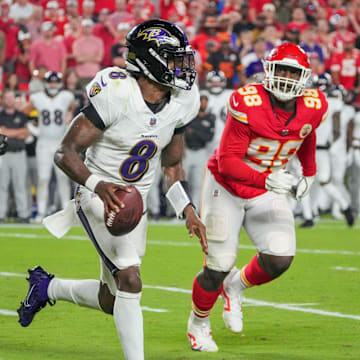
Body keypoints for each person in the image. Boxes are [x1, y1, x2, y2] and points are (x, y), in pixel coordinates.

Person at [17, 19, 207, 360]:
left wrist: (187, 209)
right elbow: (66, 152)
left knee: (112, 298)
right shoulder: (117, 92)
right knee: (130, 280)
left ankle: (47, 287)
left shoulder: (181, 102)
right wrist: (97, 185)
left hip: (135, 203)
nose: (183, 67)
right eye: (173, 58)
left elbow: (172, 166)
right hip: (96, 195)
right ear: (149, 60)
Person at [186, 43, 329, 352]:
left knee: (280, 257)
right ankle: (198, 323)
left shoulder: (314, 104)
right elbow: (228, 163)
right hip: (225, 185)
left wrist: (309, 172)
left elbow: (306, 131)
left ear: (304, 76)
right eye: (281, 69)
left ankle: (235, 287)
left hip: (268, 185)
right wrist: (269, 179)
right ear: (268, 71)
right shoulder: (247, 102)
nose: (287, 77)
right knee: (218, 263)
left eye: (293, 71)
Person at [22, 71, 76, 223]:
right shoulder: (37, 97)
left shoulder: (66, 97)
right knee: (43, 178)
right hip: (44, 143)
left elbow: (73, 108)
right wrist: (33, 125)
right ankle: (41, 211)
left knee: (62, 178)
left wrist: (70, 115)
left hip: (60, 142)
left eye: (55, 82)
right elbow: (25, 111)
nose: (53, 85)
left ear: (59, 83)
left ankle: (66, 212)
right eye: (50, 82)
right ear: (46, 83)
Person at [0, 89, 31, 223]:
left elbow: (27, 133)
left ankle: (23, 214)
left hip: (19, 153)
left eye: (11, 97)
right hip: (3, 154)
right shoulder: (0, 115)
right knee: (2, 185)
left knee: (20, 185)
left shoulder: (22, 115)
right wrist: (18, 132)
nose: (10, 100)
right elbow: (1, 132)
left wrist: (7, 132)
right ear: (3, 100)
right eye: (7, 98)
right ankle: (1, 214)